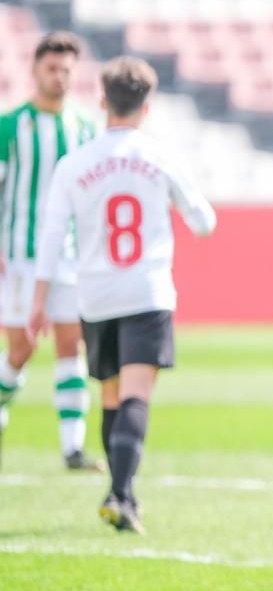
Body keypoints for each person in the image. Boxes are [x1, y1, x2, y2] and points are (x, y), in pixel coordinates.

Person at [29, 56, 216, 533]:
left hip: (94, 294)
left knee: (111, 395)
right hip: (147, 290)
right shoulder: (158, 156)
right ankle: (120, 492)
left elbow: (51, 238)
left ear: (101, 102)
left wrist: (39, 300)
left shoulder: (76, 163)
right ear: (146, 107)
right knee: (136, 395)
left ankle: (124, 496)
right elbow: (203, 222)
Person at [0, 31, 101, 470]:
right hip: (18, 254)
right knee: (21, 348)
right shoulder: (10, 126)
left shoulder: (84, 128)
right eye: (51, 68)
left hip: (69, 258)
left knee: (70, 342)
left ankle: (72, 447)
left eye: (66, 70)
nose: (58, 77)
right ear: (35, 70)